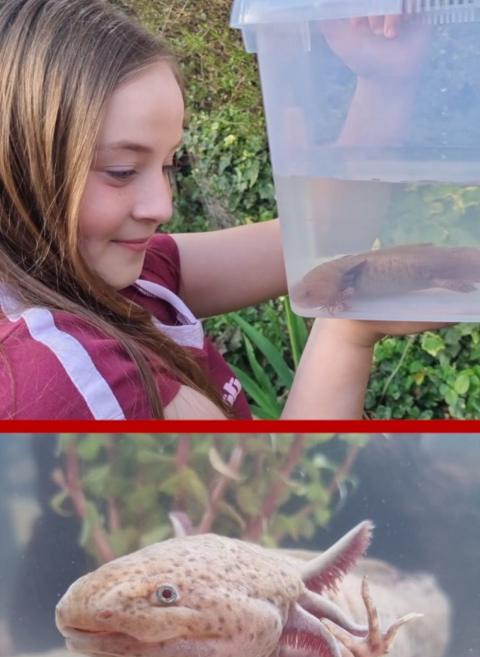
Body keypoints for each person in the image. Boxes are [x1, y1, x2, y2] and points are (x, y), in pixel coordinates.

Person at [0, 0, 441, 420]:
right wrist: (346, 332)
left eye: (169, 164)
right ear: (16, 164)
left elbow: (325, 237)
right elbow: (276, 501)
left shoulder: (102, 271)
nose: (163, 205)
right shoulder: (64, 379)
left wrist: (385, 82)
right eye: (121, 170)